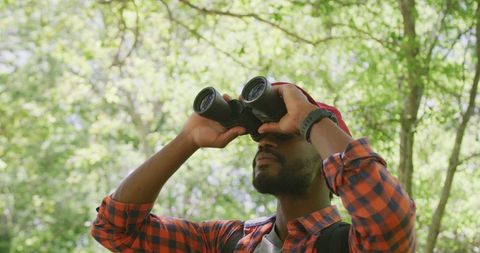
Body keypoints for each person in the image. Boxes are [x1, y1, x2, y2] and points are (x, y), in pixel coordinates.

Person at [91, 82, 416, 252]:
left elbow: (389, 219)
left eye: (285, 132)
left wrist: (310, 118)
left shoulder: (350, 245)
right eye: (259, 132)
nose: (264, 140)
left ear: (326, 159)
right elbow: (116, 229)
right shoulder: (226, 241)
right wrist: (187, 139)